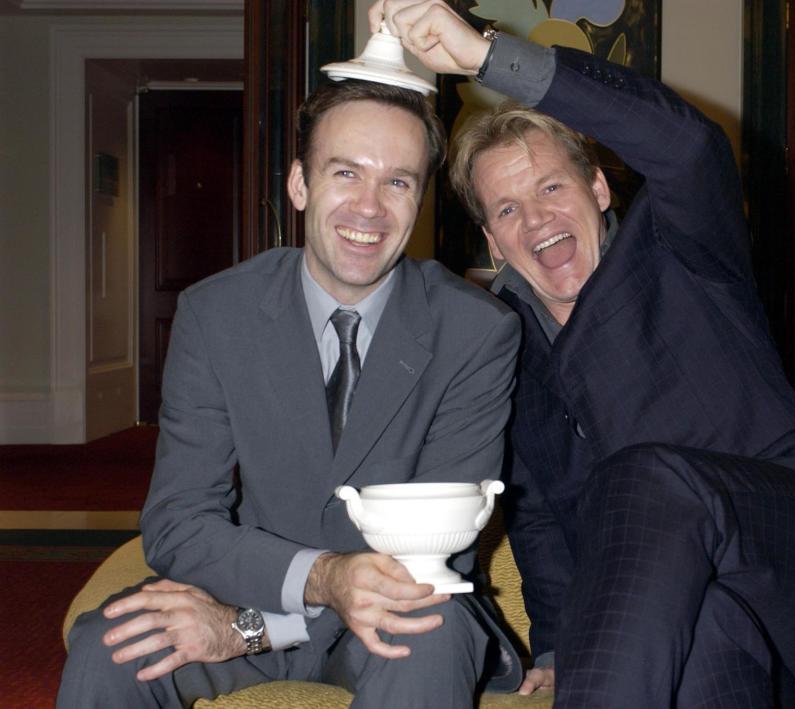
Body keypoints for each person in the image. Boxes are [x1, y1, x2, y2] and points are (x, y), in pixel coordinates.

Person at [378, 1, 795, 706]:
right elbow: (538, 515)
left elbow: (689, 146)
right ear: (492, 241)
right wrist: (563, 640)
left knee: (646, 477)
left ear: (598, 188)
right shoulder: (506, 350)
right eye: (506, 209)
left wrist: (485, 58)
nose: (535, 218)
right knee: (696, 651)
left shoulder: (681, 251)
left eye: (550, 186)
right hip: (716, 619)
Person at [57, 77, 523, 708]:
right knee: (111, 644)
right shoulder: (215, 314)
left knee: (431, 632)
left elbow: (440, 553)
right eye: (346, 174)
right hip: (250, 592)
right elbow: (177, 523)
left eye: (398, 181)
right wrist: (316, 583)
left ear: (419, 201)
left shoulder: (476, 331)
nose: (370, 208)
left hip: (396, 616)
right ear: (300, 184)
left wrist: (250, 630)